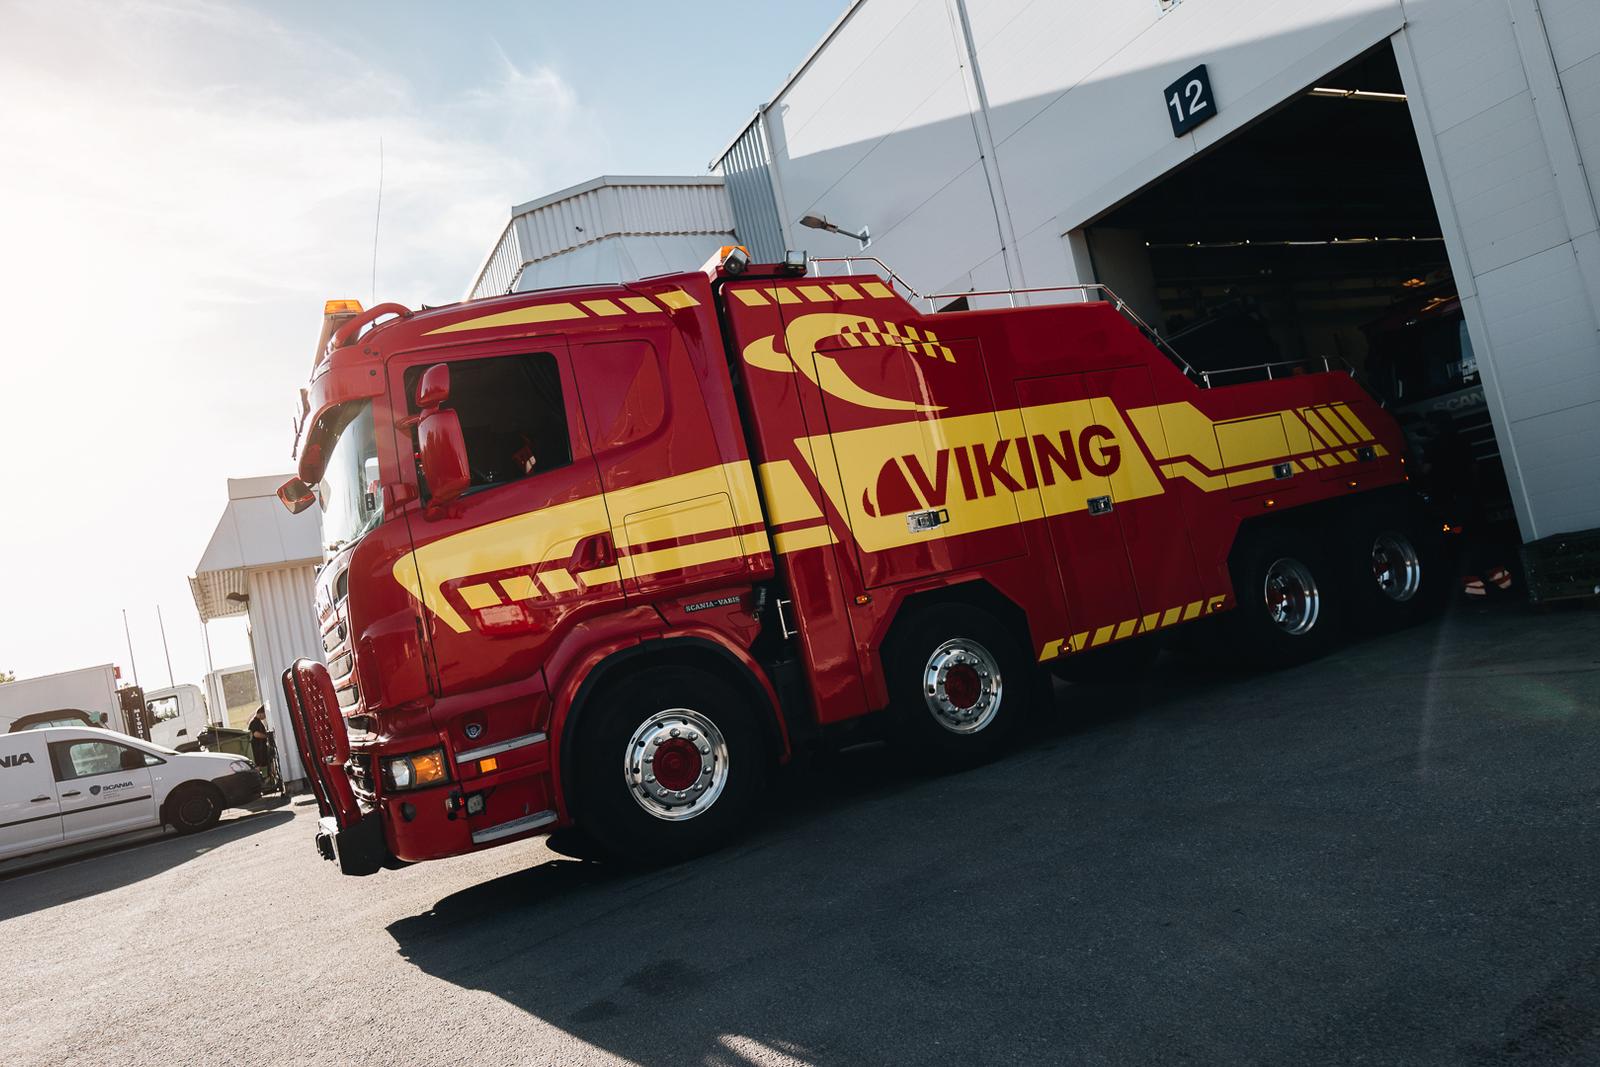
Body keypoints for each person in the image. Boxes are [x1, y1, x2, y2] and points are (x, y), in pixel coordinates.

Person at [248, 706, 272, 771]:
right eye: (265, 714)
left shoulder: (256, 721)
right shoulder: (255, 722)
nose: (265, 716)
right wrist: (267, 736)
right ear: (261, 713)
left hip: (259, 747)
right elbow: (256, 734)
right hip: (258, 748)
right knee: (259, 764)